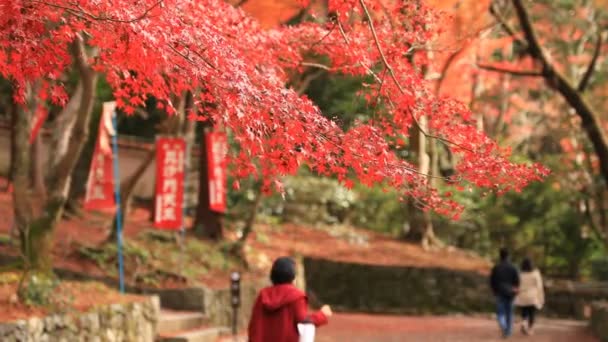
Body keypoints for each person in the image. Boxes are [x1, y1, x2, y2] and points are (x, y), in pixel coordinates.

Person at [248, 257, 332, 342]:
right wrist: (322, 315)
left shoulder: (263, 295)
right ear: (293, 277)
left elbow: (254, 325)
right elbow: (304, 321)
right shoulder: (296, 296)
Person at [490, 248, 520, 338]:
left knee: (500, 313)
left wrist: (494, 291)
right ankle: (508, 331)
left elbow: (492, 281)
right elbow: (517, 281)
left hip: (500, 292)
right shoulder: (513, 267)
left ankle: (503, 326)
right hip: (511, 292)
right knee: (509, 313)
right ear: (508, 256)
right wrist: (516, 289)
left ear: (500, 256)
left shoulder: (496, 267)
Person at [514, 257, 544, 335]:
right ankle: (530, 329)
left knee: (524, 311)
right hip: (533, 296)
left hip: (522, 295)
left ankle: (524, 323)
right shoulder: (536, 273)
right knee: (532, 313)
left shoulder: (520, 274)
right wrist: (541, 297)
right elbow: (539, 286)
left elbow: (517, 285)